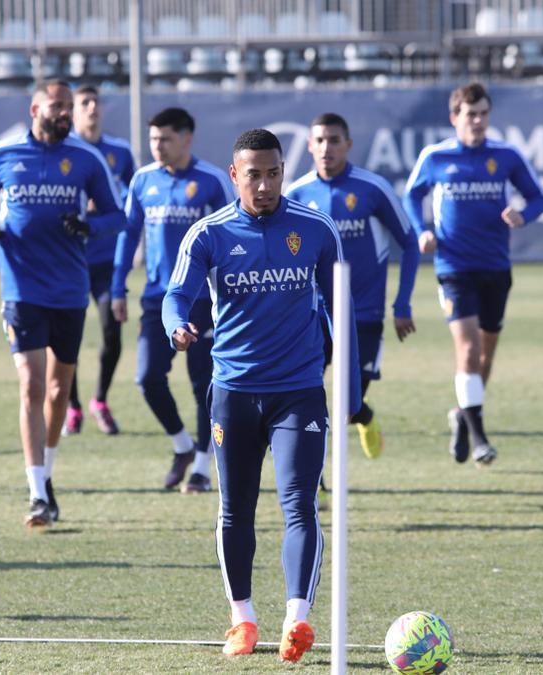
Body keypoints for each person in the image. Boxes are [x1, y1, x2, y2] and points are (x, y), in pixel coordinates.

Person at [163, 128, 360, 664]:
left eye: (274, 173)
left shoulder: (316, 229)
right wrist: (177, 325)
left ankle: (298, 619)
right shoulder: (208, 234)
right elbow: (175, 294)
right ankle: (242, 619)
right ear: (234, 175)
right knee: (236, 511)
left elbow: (343, 310)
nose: (266, 184)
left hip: (299, 393)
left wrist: (352, 391)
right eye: (254, 174)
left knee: (300, 505)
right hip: (233, 393)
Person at [0, 80, 127, 527]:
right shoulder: (1, 155)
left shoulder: (85, 158)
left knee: (59, 391)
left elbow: (117, 215)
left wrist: (88, 226)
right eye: (57, 106)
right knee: (32, 385)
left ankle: (48, 474)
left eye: (68, 108)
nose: (64, 114)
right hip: (21, 288)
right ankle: (36, 493)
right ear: (34, 107)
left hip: (69, 290)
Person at [402, 82, 543, 467]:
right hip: (454, 267)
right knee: (467, 350)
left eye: (483, 113)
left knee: (485, 357)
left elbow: (539, 197)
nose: (478, 121)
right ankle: (481, 437)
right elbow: (411, 195)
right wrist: (423, 230)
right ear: (455, 118)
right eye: (470, 114)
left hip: (496, 267)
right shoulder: (436, 157)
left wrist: (523, 215)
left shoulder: (506, 156)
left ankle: (462, 416)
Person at [111, 107, 235, 494]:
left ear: (186, 138)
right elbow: (128, 234)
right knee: (147, 378)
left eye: (164, 139)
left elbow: (234, 235)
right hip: (157, 299)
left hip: (202, 300)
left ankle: (201, 465)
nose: (157, 147)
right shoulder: (142, 180)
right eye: (152, 140)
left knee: (203, 385)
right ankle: (181, 445)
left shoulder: (213, 181)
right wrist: (118, 287)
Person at [285, 112, 419, 459]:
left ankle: (365, 415)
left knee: (349, 402)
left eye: (333, 140)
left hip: (364, 313)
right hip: (312, 313)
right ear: (309, 145)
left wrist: (402, 304)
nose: (326, 147)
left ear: (348, 144)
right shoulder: (296, 193)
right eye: (319, 140)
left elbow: (410, 242)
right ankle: (311, 478)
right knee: (305, 395)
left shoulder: (372, 188)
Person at [62, 84, 136, 437]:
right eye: (84, 103)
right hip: (72, 259)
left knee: (112, 331)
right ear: (73, 112)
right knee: (69, 338)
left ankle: (100, 401)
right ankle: (72, 407)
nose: (92, 108)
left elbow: (132, 204)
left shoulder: (119, 152)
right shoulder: (66, 151)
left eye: (95, 102)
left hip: (108, 259)